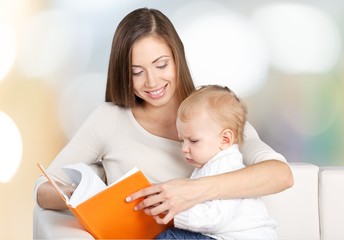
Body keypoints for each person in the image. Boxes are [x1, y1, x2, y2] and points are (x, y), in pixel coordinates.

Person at [34, 7, 293, 227]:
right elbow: (43, 190)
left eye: (161, 65)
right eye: (137, 72)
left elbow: (280, 175)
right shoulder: (110, 120)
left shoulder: (212, 110)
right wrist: (84, 196)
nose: (152, 81)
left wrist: (190, 191)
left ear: (177, 58)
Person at [155, 85, 277, 239]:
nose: (184, 149)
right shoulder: (211, 163)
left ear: (225, 139)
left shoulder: (224, 166)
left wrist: (172, 214)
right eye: (182, 141)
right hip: (219, 235)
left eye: (193, 141)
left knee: (169, 237)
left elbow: (213, 219)